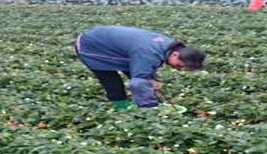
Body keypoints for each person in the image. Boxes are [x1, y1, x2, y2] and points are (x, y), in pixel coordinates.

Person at [74, 25, 206, 109]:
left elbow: (144, 68)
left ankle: (146, 103)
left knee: (141, 75)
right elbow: (139, 81)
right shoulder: (149, 52)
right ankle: (120, 106)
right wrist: (149, 107)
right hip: (92, 45)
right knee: (113, 81)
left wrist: (151, 80)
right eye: (178, 66)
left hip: (112, 43)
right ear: (176, 55)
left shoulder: (168, 45)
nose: (179, 69)